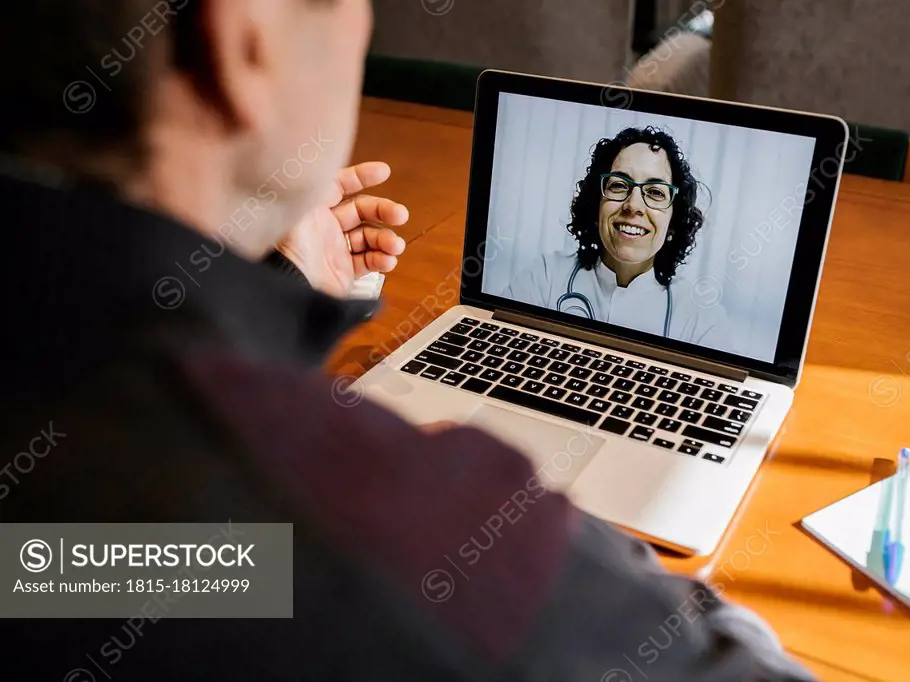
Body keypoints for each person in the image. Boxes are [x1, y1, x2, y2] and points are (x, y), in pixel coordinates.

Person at [0, 2, 812, 681]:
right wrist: (506, 523)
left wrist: (276, 309)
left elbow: (85, 569)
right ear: (242, 38)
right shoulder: (412, 543)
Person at [506, 126, 734, 352]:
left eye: (655, 192)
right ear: (596, 204)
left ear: (674, 221)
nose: (633, 205)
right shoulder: (545, 277)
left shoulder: (701, 319)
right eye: (619, 185)